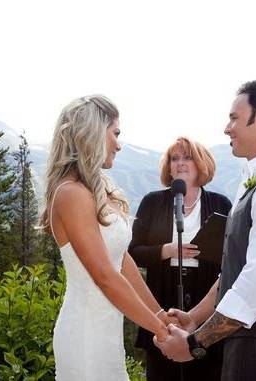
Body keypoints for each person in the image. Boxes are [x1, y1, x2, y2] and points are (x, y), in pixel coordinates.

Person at [154, 81, 256, 381]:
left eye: (234, 117)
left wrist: (194, 344)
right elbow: (234, 271)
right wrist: (195, 318)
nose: (227, 128)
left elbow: (253, 287)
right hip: (244, 348)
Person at [40, 95, 172, 380]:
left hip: (106, 331)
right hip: (85, 334)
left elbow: (121, 262)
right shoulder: (71, 193)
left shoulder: (98, 189)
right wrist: (159, 331)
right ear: (94, 132)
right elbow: (104, 276)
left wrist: (160, 315)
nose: (119, 144)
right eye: (116, 133)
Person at [129, 137, 232, 380]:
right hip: (160, 299)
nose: (180, 164)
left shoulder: (220, 203)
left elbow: (231, 258)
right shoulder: (152, 202)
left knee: (205, 369)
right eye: (174, 159)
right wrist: (166, 250)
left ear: (201, 164)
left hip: (206, 296)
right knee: (162, 369)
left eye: (187, 157)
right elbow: (132, 254)